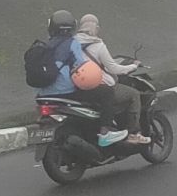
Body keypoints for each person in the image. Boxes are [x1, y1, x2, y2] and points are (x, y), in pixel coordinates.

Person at [34, 11, 128, 147]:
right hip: (67, 91)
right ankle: (105, 132)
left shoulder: (45, 46)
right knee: (106, 92)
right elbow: (82, 66)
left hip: (44, 94)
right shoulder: (72, 43)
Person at [74, 14, 150, 145]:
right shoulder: (98, 45)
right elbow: (113, 68)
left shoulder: (73, 43)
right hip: (102, 86)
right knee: (134, 94)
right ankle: (133, 133)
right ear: (96, 28)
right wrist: (133, 66)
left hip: (81, 88)